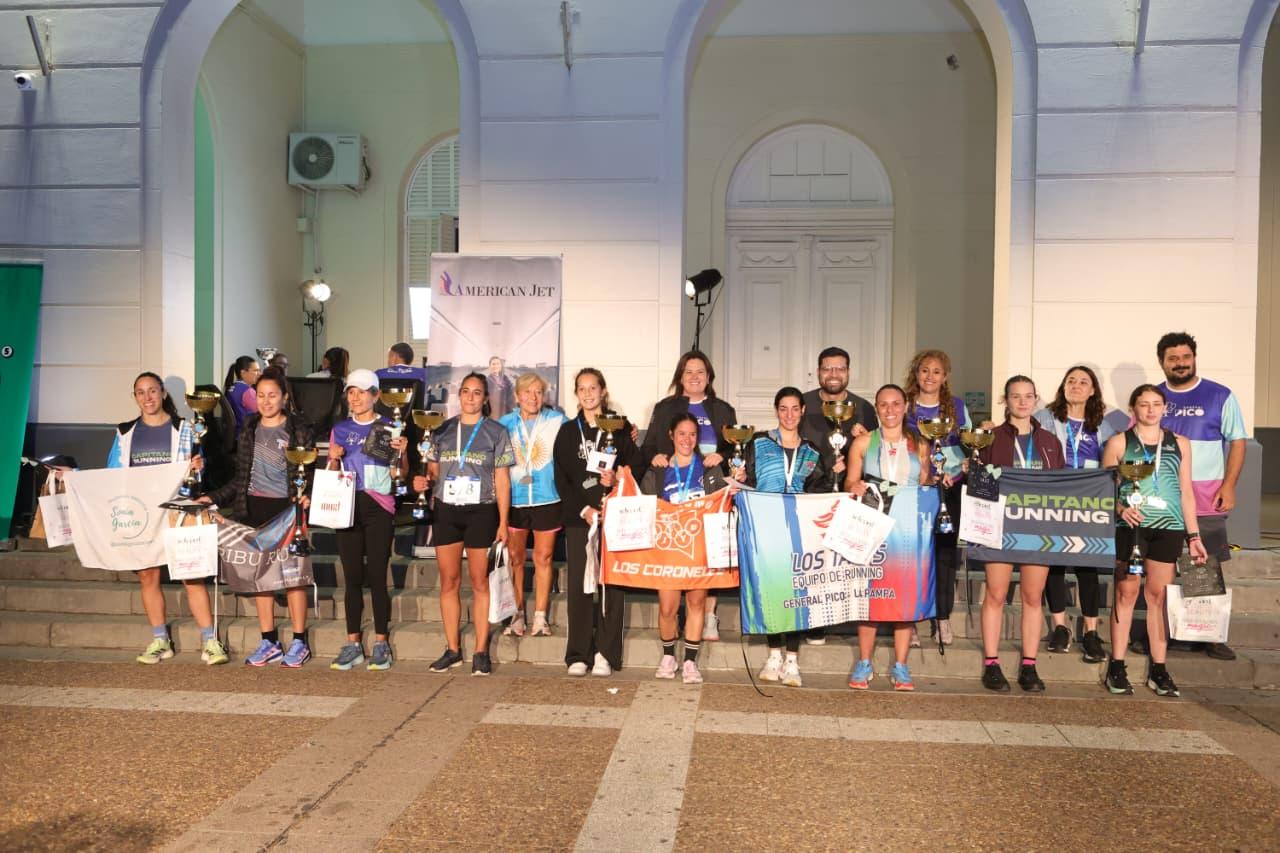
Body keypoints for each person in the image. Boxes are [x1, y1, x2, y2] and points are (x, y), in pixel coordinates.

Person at [108, 372, 227, 666]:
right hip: (142, 515)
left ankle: (210, 640)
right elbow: (111, 474)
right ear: (135, 397)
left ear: (162, 393)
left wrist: (198, 467)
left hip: (178, 511)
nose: (147, 398)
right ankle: (160, 640)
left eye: (152, 391)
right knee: (148, 576)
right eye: (140, 392)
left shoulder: (184, 428)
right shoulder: (124, 433)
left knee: (191, 575)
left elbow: (194, 473)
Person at [202, 368, 314, 667]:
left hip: (288, 512)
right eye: (261, 395)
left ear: (285, 397)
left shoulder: (299, 429)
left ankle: (300, 642)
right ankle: (269, 640)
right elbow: (240, 478)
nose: (266, 401)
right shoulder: (249, 428)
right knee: (261, 579)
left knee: (293, 578)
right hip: (252, 509)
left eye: (273, 395)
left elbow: (309, 475)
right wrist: (212, 497)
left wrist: (308, 498)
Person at [1101, 384, 1207, 697]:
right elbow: (1104, 490)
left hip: (1169, 527)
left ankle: (1159, 668)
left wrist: (1194, 535)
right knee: (1126, 592)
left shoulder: (1181, 444)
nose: (1150, 410)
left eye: (1156, 404)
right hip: (1131, 527)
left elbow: (1186, 492)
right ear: (1133, 408)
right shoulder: (1119, 442)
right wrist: (1121, 509)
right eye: (1144, 404)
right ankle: (1117, 665)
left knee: (1158, 596)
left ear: (1165, 408)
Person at [732, 387, 839, 687]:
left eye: (795, 408)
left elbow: (818, 489)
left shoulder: (812, 451)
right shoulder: (758, 443)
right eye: (783, 408)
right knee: (771, 590)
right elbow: (749, 480)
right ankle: (774, 654)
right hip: (766, 529)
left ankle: (792, 660)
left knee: (795, 594)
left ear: (803, 410)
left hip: (799, 532)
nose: (789, 415)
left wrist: (835, 475)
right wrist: (741, 479)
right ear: (776, 410)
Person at [1156, 331, 1247, 661]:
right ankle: (1162, 633)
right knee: (1161, 564)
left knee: (1204, 563)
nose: (1180, 363)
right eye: (1172, 358)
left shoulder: (1220, 395)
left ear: (1194, 357)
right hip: (1163, 496)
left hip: (1208, 495)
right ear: (1162, 363)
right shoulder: (1154, 398)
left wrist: (1229, 484)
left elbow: (1237, 441)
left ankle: (1211, 636)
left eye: (1185, 357)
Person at [975, 375, 1065, 693]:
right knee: (996, 594)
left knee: (1031, 596)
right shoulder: (989, 437)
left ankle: (1029, 664)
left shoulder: (1051, 443)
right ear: (1006, 400)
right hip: (999, 526)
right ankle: (991, 663)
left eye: (1028, 396)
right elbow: (976, 479)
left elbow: (1062, 489)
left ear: (1036, 400)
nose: (1022, 402)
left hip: (1037, 529)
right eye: (1016, 396)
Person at [422, 371, 513, 676]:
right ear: (458, 395)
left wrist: (503, 521)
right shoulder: (442, 430)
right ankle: (452, 649)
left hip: (482, 511)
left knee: (479, 582)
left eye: (477, 393)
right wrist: (424, 480)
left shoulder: (496, 432)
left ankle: (481, 651)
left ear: (485, 398)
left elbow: (502, 479)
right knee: (448, 582)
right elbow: (432, 470)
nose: (470, 397)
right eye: (465, 392)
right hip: (447, 510)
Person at [844, 384, 935, 691]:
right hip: (872, 527)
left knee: (904, 599)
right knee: (870, 597)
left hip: (908, 532)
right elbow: (849, 481)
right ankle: (865, 662)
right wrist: (853, 486)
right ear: (877, 408)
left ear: (905, 406)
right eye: (884, 404)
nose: (890, 410)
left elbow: (926, 485)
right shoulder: (863, 442)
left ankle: (901, 666)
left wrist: (939, 475)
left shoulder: (919, 444)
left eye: (896, 404)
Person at [643, 351, 737, 642]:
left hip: (710, 488)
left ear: (708, 377)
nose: (695, 377)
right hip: (673, 494)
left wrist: (722, 454)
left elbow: (736, 447)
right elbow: (649, 447)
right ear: (680, 377)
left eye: (700, 372)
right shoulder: (666, 407)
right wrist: (656, 456)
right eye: (688, 372)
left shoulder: (722, 409)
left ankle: (709, 616)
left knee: (708, 552)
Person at [553, 368, 641, 677]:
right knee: (579, 586)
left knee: (611, 585)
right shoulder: (567, 432)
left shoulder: (620, 427)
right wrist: (584, 511)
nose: (588, 393)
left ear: (603, 390)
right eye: (582, 389)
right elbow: (562, 480)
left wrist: (617, 476)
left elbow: (636, 465)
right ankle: (578, 653)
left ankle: (606, 653)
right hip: (581, 520)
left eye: (594, 387)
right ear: (576, 394)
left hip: (614, 517)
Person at [1034, 365, 1117, 663]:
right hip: (1053, 501)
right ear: (1063, 386)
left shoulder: (1103, 426)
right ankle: (1060, 626)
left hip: (1088, 503)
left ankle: (1092, 631)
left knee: (1087, 564)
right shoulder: (1044, 418)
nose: (1077, 386)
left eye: (1084, 382)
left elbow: (1112, 464)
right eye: (1071, 381)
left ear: (1093, 390)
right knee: (1054, 562)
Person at [327, 369, 407, 672]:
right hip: (347, 505)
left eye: (362, 391)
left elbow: (400, 474)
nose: (356, 397)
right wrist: (333, 458)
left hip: (379, 506)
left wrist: (404, 454)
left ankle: (381, 642)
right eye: (351, 391)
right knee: (351, 577)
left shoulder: (390, 427)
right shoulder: (340, 428)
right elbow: (331, 474)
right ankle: (352, 643)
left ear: (376, 395)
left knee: (376, 575)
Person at [798, 346, 877, 646]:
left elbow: (875, 453)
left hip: (848, 493)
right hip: (810, 493)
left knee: (844, 558)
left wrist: (863, 439)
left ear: (848, 371)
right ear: (818, 372)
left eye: (839, 368)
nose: (833, 374)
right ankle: (815, 622)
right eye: (827, 368)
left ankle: (844, 615)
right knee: (812, 561)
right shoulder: (803, 403)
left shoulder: (864, 408)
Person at [640, 412, 726, 684]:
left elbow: (723, 500)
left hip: (699, 547)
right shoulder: (661, 467)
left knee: (696, 602)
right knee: (667, 607)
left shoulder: (709, 467)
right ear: (671, 436)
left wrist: (731, 480)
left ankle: (689, 661)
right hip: (668, 547)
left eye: (692, 434)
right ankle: (668, 655)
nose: (687, 439)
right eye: (681, 434)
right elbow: (645, 502)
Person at [903, 349, 973, 646]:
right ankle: (913, 620)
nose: (929, 376)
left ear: (945, 377)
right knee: (914, 556)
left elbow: (968, 443)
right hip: (914, 490)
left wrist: (960, 466)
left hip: (950, 487)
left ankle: (942, 619)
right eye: (924, 370)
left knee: (945, 557)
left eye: (936, 371)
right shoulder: (905, 407)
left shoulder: (956, 407)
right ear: (915, 373)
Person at [498, 373, 567, 637]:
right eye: (527, 392)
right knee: (515, 558)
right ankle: (517, 614)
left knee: (543, 558)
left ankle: (540, 616)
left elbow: (582, 434)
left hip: (547, 498)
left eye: (538, 392)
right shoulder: (504, 424)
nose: (533, 397)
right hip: (514, 499)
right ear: (517, 396)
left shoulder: (556, 421)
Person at [223, 355, 261, 436]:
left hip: (235, 435)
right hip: (247, 436)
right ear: (243, 373)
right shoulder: (248, 391)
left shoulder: (230, 388)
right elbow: (263, 412)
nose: (259, 374)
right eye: (256, 371)